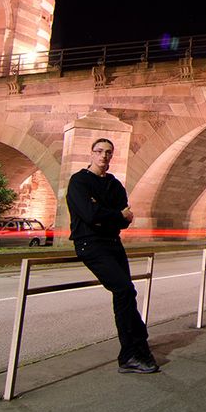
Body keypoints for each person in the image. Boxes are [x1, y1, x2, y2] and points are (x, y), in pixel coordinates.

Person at [67, 138, 159, 374]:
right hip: (90, 244)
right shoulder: (79, 182)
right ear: (91, 153)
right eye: (99, 151)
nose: (103, 156)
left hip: (113, 243)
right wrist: (115, 215)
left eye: (108, 152)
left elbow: (124, 219)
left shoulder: (115, 185)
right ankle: (134, 349)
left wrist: (109, 215)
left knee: (126, 293)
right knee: (124, 290)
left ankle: (134, 350)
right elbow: (89, 214)